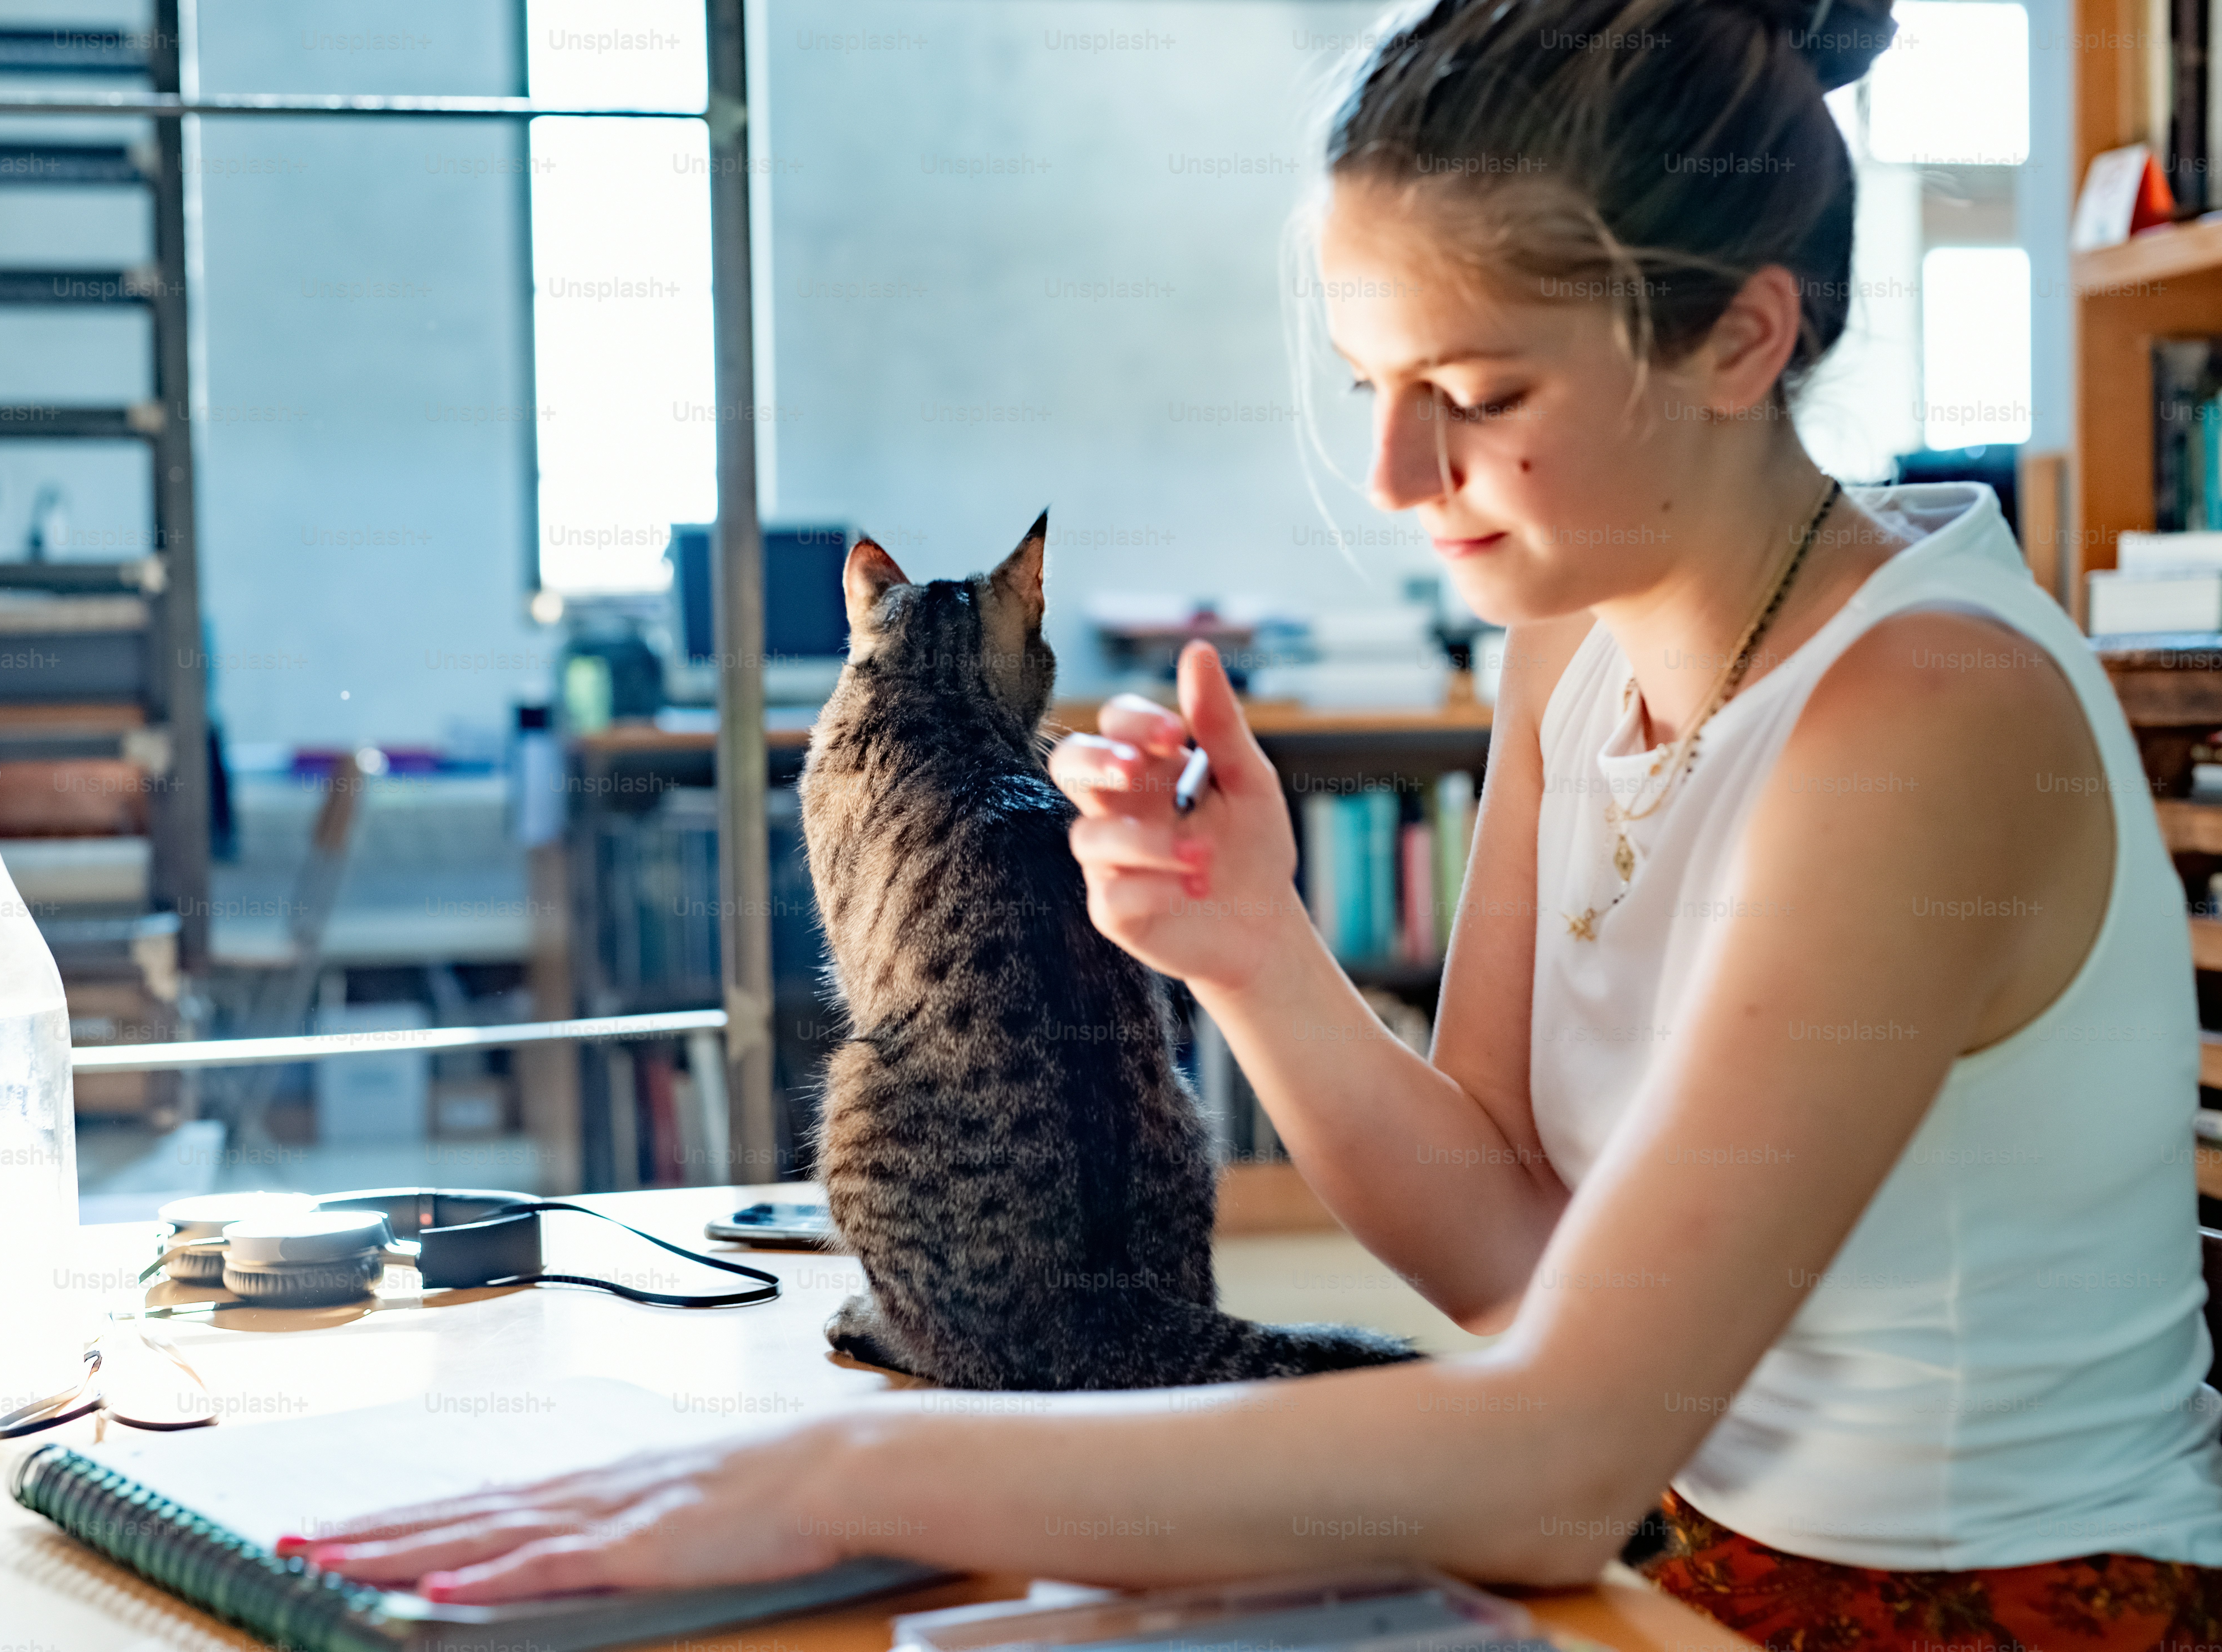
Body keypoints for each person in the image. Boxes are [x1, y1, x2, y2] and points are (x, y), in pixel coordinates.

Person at [284, 0, 2222, 1642]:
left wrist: (851, 1465)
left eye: (1477, 390)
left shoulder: (1926, 714)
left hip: (1961, 1605)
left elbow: (1558, 1451)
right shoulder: (1572, 643)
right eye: (1372, 382)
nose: (1393, 469)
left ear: (1738, 340)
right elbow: (1516, 1256)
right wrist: (1253, 950)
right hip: (1664, 1553)